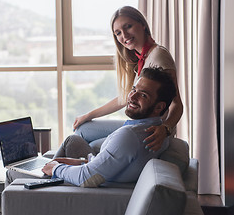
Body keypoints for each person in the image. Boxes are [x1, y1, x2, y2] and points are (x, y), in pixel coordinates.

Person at [42, 67, 177, 187]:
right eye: (134, 89)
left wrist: (56, 168)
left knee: (70, 142)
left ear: (159, 107)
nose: (132, 97)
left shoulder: (129, 136)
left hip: (92, 192)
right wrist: (80, 163)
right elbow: (112, 166)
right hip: (101, 173)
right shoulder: (160, 133)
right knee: (72, 141)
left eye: (143, 95)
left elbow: (87, 178)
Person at [73, 6, 183, 152]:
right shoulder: (142, 59)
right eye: (118, 33)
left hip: (150, 131)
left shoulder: (158, 56)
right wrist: (88, 115)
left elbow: (177, 104)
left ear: (142, 24)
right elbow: (125, 98)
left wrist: (165, 129)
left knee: (84, 135)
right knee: (83, 129)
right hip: (140, 125)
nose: (124, 35)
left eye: (128, 27)